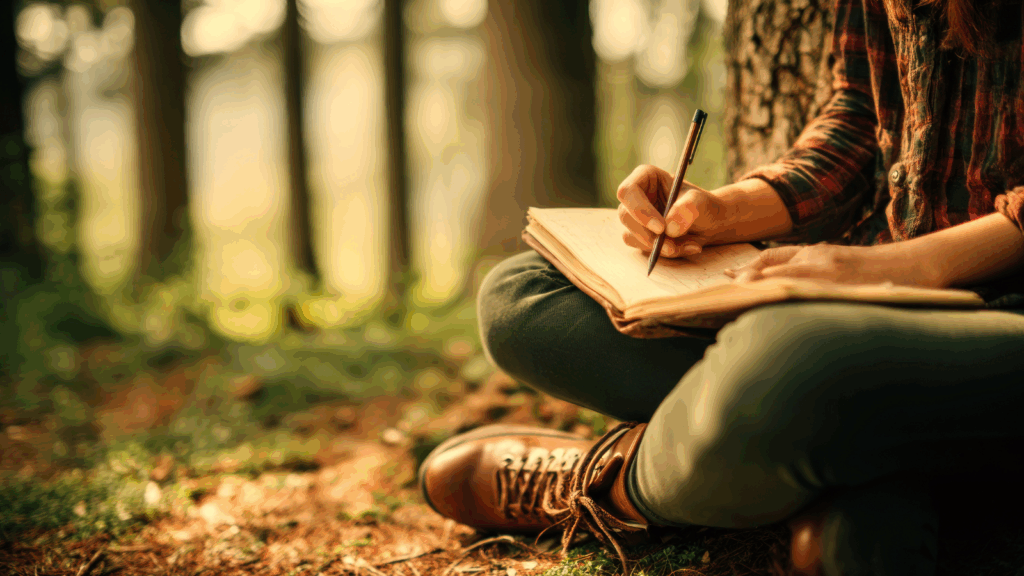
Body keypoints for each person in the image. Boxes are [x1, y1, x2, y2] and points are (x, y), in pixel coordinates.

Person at [418, 0, 1024, 573]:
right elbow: (863, 115)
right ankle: (841, 458)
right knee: (521, 294)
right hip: (871, 313)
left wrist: (904, 267)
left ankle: (608, 484)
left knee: (794, 358)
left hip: (996, 316)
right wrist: (724, 212)